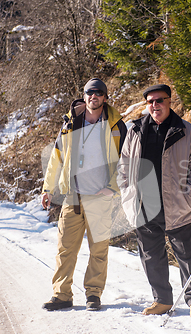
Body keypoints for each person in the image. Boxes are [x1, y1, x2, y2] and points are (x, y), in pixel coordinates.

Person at [117, 84, 191, 316]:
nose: (155, 105)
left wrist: (189, 195)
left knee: (186, 255)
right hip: (143, 206)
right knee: (151, 256)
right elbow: (124, 166)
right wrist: (128, 195)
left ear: (169, 102)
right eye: (150, 102)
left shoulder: (186, 131)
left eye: (159, 100)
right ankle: (162, 300)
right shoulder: (136, 130)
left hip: (176, 206)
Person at [41, 78, 127, 311]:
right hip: (73, 197)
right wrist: (48, 188)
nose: (93, 96)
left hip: (101, 198)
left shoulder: (117, 126)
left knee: (98, 251)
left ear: (105, 98)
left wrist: (112, 188)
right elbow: (56, 156)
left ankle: (93, 294)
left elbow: (125, 162)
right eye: (90, 92)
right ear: (84, 95)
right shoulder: (71, 123)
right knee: (64, 249)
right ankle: (62, 295)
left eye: (99, 93)